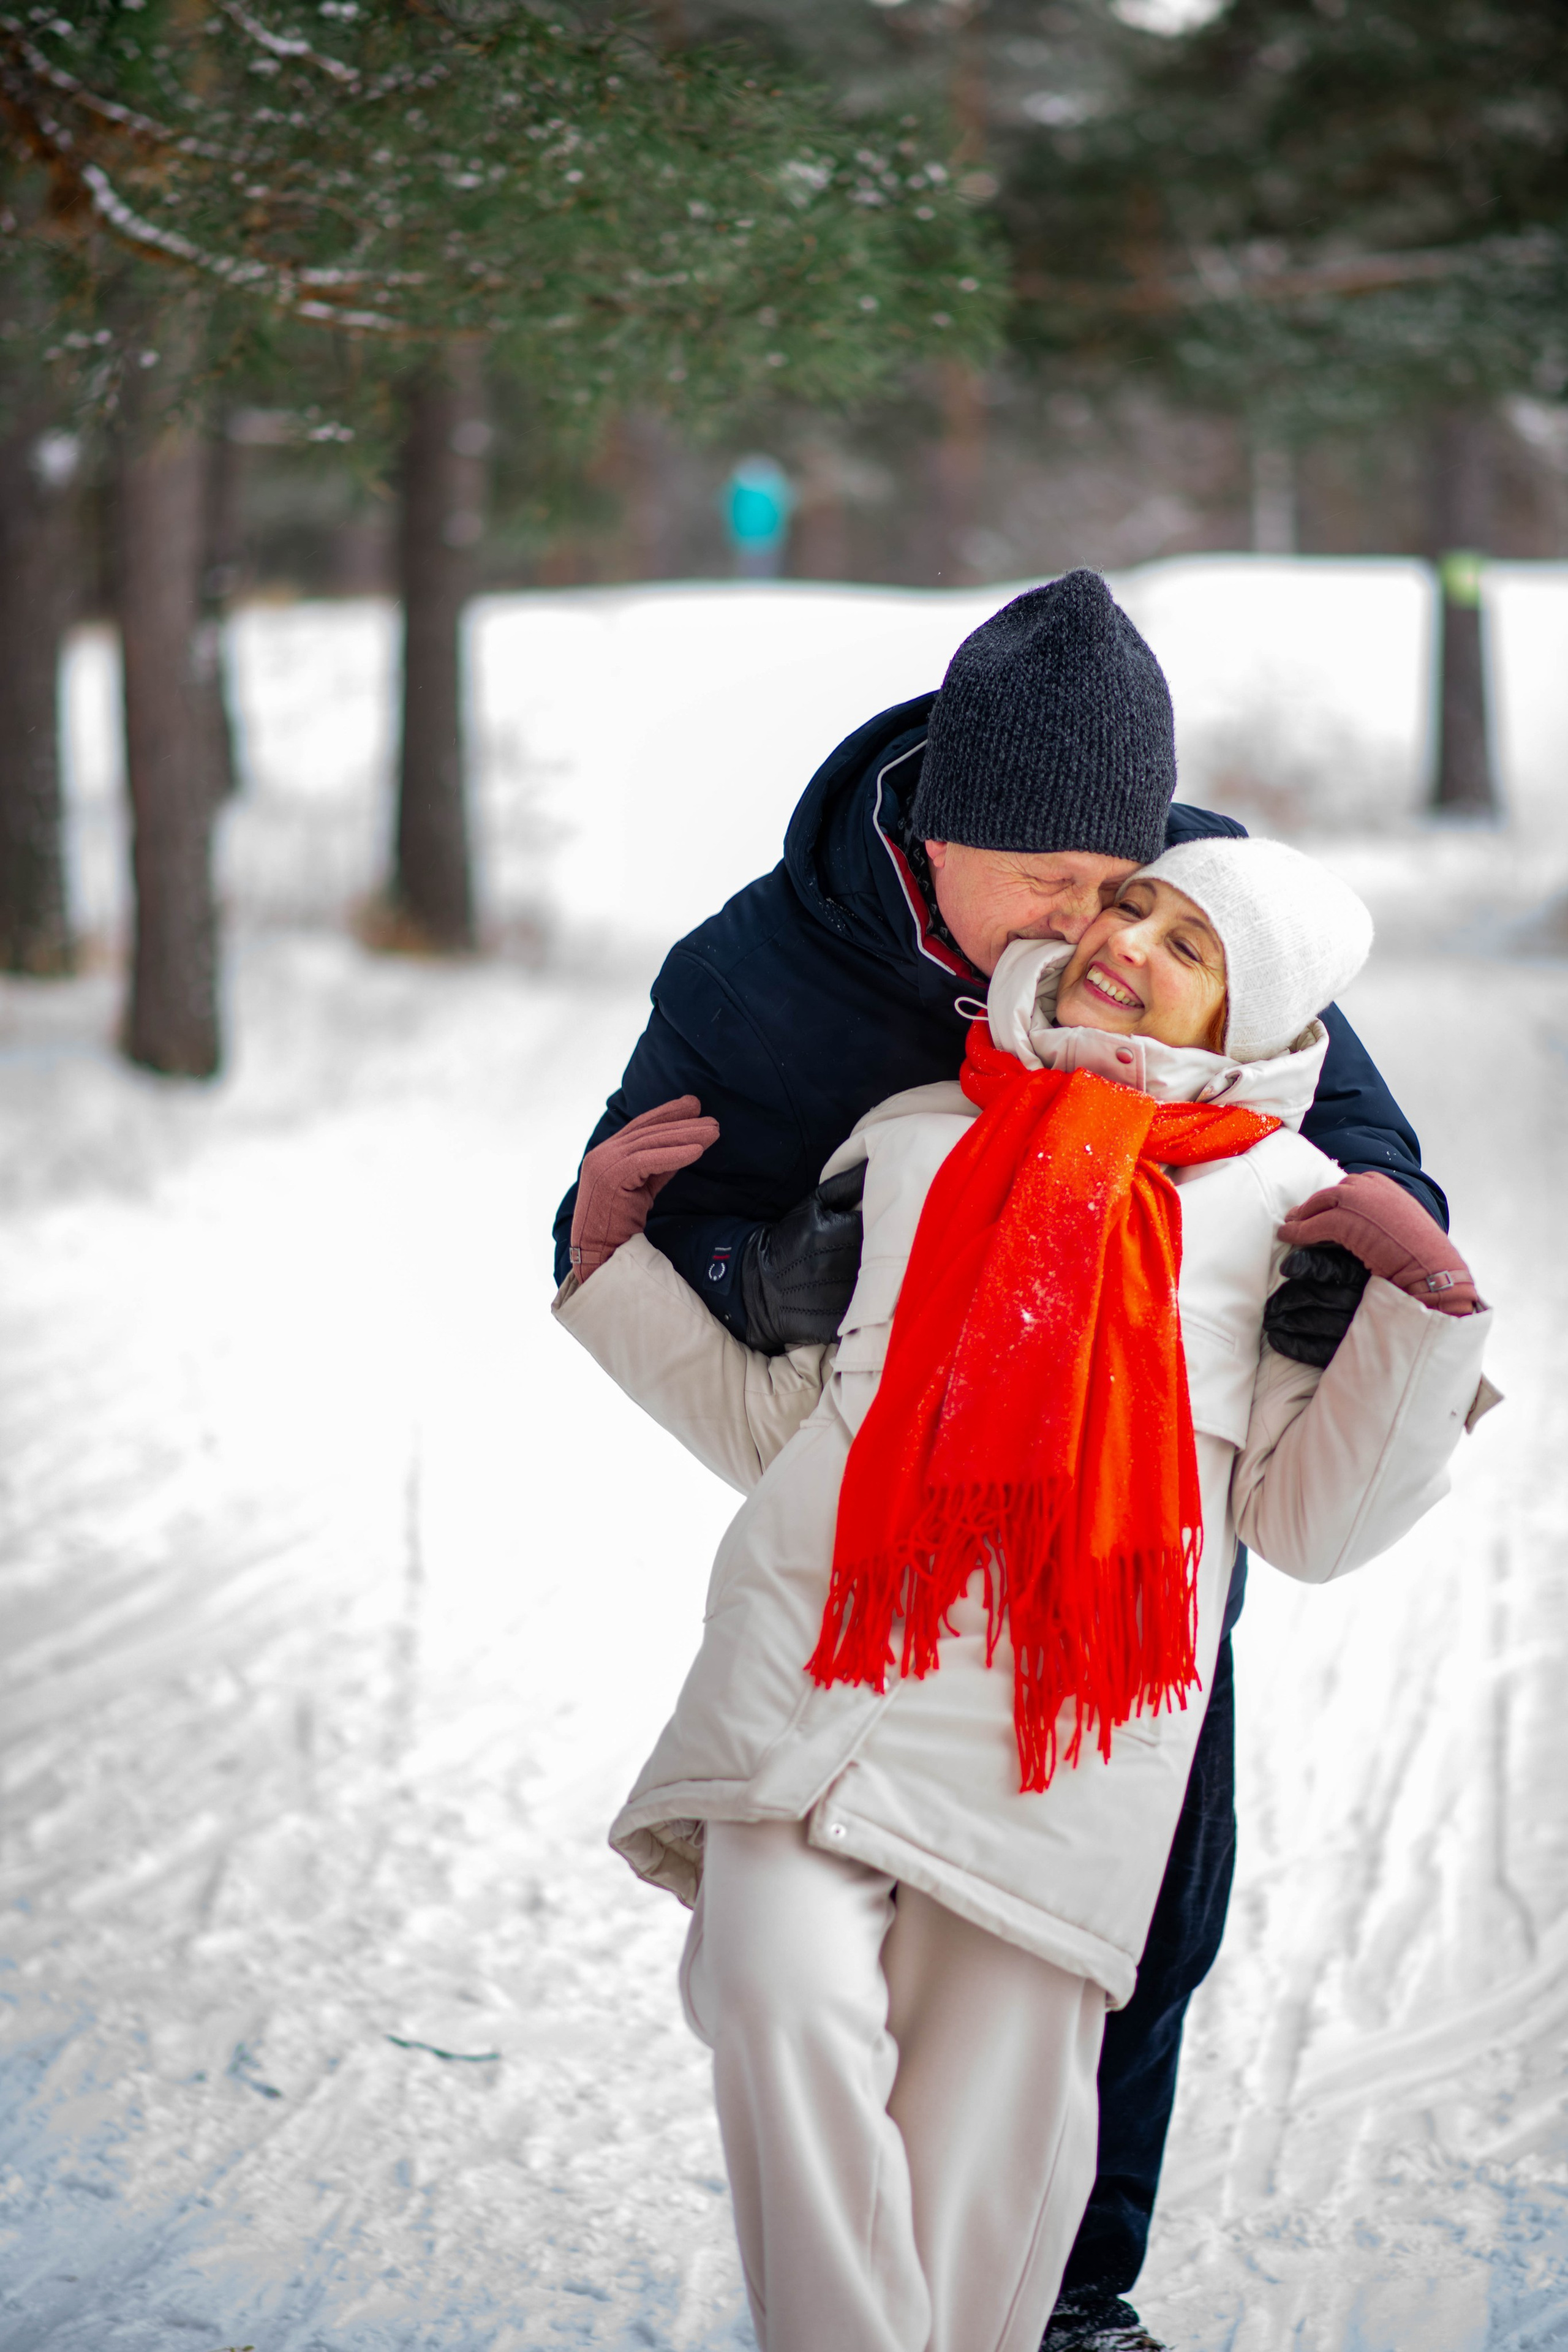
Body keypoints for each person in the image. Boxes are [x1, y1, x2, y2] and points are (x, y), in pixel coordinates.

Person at [551, 573, 1449, 2351]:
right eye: (1049, 882)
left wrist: (1365, 1288)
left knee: (1134, 1919)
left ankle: (1076, 2288)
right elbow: (647, 1225)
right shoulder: (765, 974)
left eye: (1121, 880)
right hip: (881, 1522)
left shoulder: (1183, 905)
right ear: (943, 832)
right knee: (792, 1975)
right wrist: (771, 1273)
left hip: (1126, 1530)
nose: (1092, 924)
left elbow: (1346, 1142)